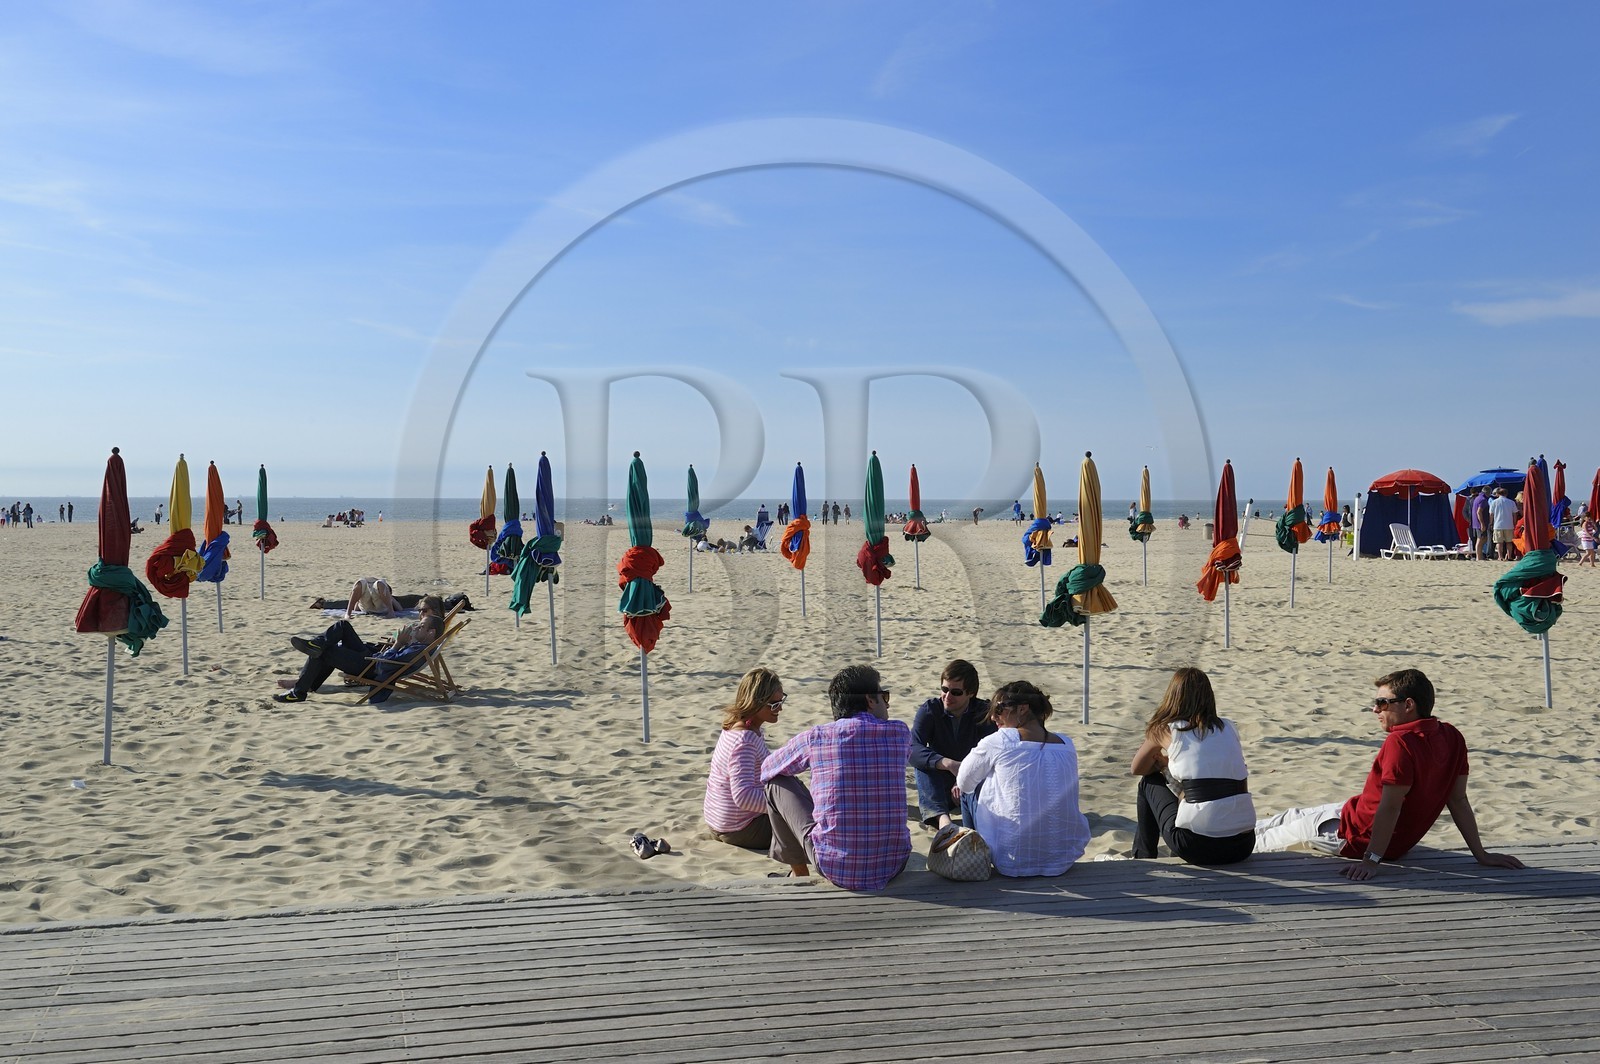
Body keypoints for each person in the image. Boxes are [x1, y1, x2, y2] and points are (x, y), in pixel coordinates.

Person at [1254, 668, 1524, 880]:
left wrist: (1372, 860)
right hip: (1356, 816)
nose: (1375, 710)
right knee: (1290, 815)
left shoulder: (1401, 742)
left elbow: (1391, 807)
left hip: (1351, 836)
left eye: (1382, 703)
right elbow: (1458, 800)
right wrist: (1481, 855)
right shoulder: (1451, 735)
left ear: (1408, 705)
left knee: (1260, 841)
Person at [760, 665, 912, 888]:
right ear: (870, 700)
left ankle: (798, 872)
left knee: (775, 784)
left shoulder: (818, 737)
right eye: (884, 696)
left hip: (835, 867)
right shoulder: (900, 733)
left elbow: (767, 769)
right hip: (894, 865)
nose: (887, 704)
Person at [955, 680, 1090, 877]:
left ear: (1022, 709)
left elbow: (964, 782)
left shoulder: (1000, 740)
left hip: (1011, 861)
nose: (993, 716)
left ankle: (973, 854)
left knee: (967, 791)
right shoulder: (1066, 743)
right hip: (1063, 859)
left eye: (999, 709)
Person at [1129, 668, 1254, 865]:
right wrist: (1170, 763)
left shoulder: (1165, 729)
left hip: (1196, 847)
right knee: (1197, 791)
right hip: (1243, 845)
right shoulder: (1229, 727)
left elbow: (1137, 768)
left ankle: (1142, 859)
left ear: (1173, 696)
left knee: (1149, 782)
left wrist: (1162, 764)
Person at [274, 595, 446, 703]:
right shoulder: (423, 642)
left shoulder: (418, 650)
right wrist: (402, 639)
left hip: (371, 666)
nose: (418, 623)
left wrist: (398, 643)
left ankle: (299, 691)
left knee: (327, 651)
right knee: (342, 626)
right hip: (373, 655)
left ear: (431, 632)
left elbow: (384, 667)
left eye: (421, 626)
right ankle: (316, 645)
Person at [703, 668, 787, 851]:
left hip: (719, 820)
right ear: (755, 703)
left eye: (781, 700)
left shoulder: (736, 727)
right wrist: (784, 806)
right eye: (774, 704)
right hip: (739, 828)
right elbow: (744, 796)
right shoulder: (744, 740)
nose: (780, 708)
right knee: (806, 824)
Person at [909, 660, 995, 830]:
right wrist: (948, 763)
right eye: (944, 690)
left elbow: (992, 754)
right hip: (941, 780)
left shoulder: (984, 713)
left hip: (974, 780)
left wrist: (965, 777)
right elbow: (912, 748)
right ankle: (942, 821)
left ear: (971, 693)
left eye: (955, 692)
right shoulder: (930, 710)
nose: (948, 697)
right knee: (924, 765)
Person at [1489, 488, 1517, 561]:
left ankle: (1500, 556)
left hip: (1498, 524)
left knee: (1499, 542)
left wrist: (1491, 523)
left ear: (1498, 494)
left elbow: (1491, 514)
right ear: (1506, 494)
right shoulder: (1511, 502)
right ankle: (1510, 556)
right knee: (1509, 542)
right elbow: (1514, 514)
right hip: (1509, 524)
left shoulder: (1494, 502)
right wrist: (1514, 523)